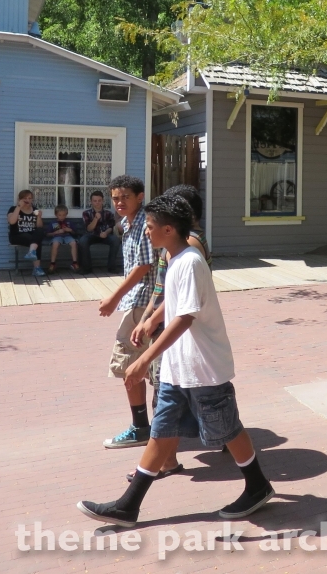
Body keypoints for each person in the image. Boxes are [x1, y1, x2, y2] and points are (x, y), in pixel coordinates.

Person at [77, 194, 275, 527]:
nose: (146, 233)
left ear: (169, 229)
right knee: (162, 432)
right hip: (177, 368)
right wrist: (151, 320)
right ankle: (128, 505)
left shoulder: (191, 261)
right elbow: (174, 300)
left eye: (151, 228)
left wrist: (143, 361)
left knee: (227, 429)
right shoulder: (175, 258)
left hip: (203, 368)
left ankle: (257, 486)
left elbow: (185, 318)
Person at [128, 185, 210, 482]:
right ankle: (166, 462)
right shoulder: (174, 248)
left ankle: (166, 461)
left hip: (184, 334)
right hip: (170, 327)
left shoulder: (189, 249)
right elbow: (163, 289)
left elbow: (185, 305)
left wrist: (149, 340)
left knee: (180, 396)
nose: (149, 230)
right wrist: (148, 318)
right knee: (178, 395)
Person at [100, 175, 157, 449]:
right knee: (145, 366)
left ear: (140, 197)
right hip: (139, 301)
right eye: (115, 198)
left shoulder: (145, 224)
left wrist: (114, 297)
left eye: (125, 197)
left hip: (143, 303)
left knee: (127, 365)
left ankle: (140, 427)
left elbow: (144, 265)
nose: (120, 202)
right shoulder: (127, 223)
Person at [79, 190, 121, 274]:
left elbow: (111, 226)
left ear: (103, 201)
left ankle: (111, 267)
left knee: (115, 240)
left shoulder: (108, 213)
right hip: (92, 235)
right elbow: (89, 229)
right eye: (95, 201)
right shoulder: (86, 213)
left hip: (105, 235)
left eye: (99, 200)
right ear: (91, 202)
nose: (97, 203)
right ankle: (87, 268)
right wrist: (95, 219)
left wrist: (106, 233)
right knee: (83, 241)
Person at [7, 189, 46, 276]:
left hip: (31, 235)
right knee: (35, 241)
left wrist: (39, 217)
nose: (28, 200)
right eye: (25, 198)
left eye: (30, 198)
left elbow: (39, 226)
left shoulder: (34, 209)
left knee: (39, 233)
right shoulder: (13, 209)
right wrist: (18, 207)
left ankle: (31, 252)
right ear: (20, 199)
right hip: (17, 235)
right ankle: (36, 268)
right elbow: (12, 221)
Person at [45, 204, 80, 274]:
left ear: (66, 215)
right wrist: (56, 232)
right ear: (56, 215)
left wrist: (70, 230)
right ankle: (52, 263)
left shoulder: (69, 222)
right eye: (60, 215)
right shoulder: (53, 223)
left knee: (73, 243)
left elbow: (75, 233)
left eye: (64, 215)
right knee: (55, 244)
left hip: (67, 236)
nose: (62, 217)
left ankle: (74, 263)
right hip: (57, 236)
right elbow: (47, 234)